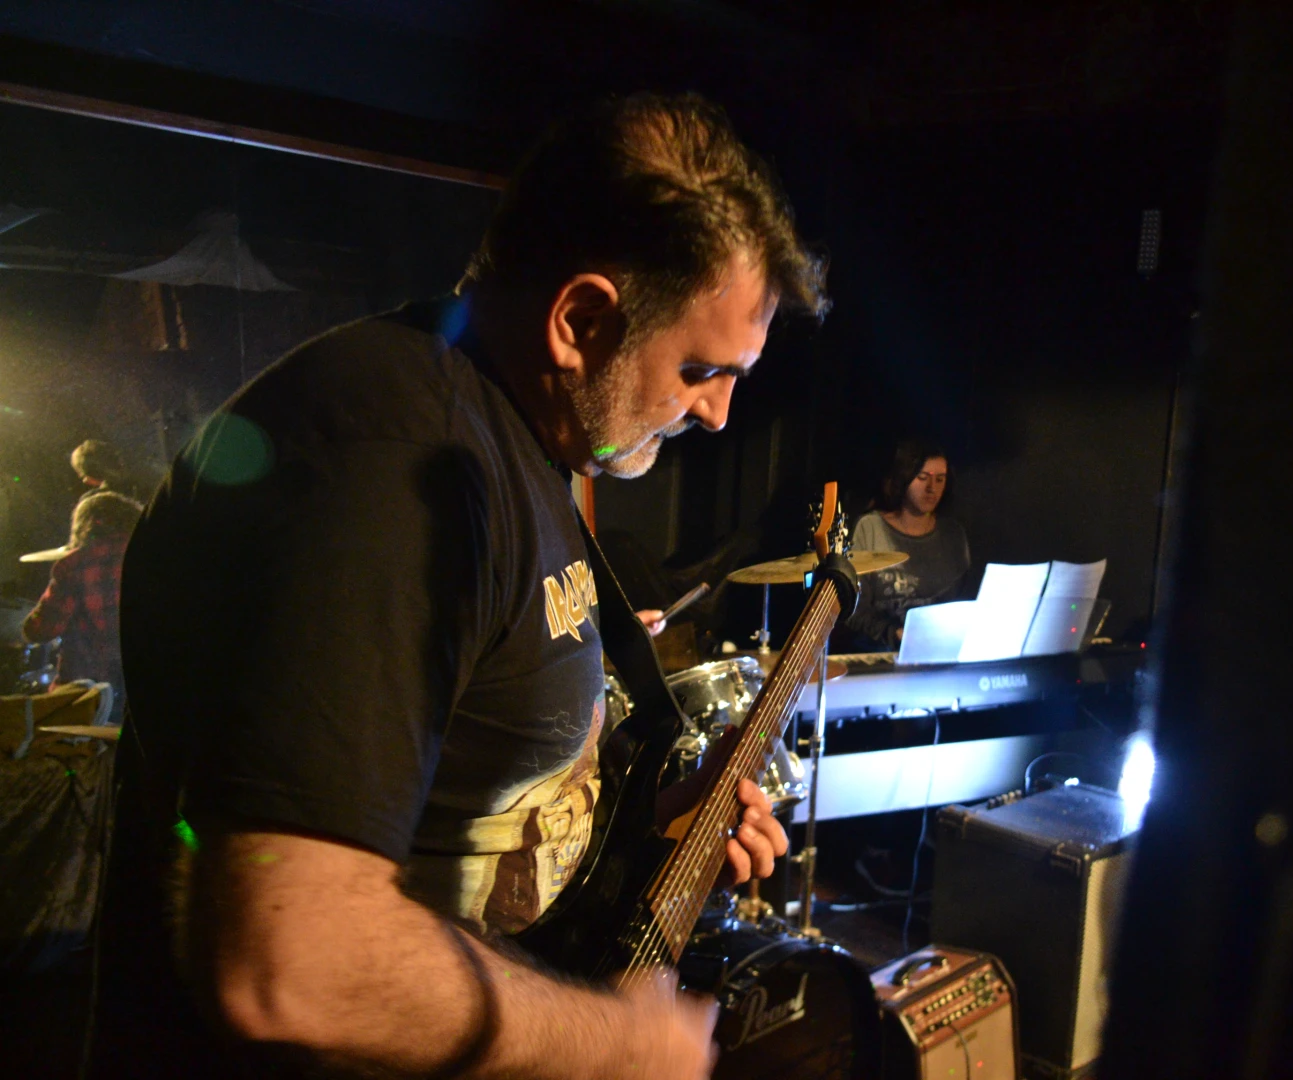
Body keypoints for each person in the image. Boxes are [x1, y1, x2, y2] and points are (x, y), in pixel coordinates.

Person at [94, 93, 827, 1080]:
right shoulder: (387, 463)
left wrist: (654, 827)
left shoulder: (514, 439)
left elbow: (465, 812)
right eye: (701, 367)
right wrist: (614, 1041)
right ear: (580, 320)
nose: (720, 413)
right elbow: (290, 961)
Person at [845, 439, 972, 649]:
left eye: (940, 479)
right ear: (903, 478)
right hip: (881, 652)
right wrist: (894, 633)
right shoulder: (870, 528)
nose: (932, 488)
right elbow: (854, 609)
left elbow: (963, 604)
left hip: (938, 649)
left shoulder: (953, 535)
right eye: (922, 478)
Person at [21, 490, 142, 701]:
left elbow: (41, 630)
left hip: (88, 693)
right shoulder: (153, 556)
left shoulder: (75, 564)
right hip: (144, 686)